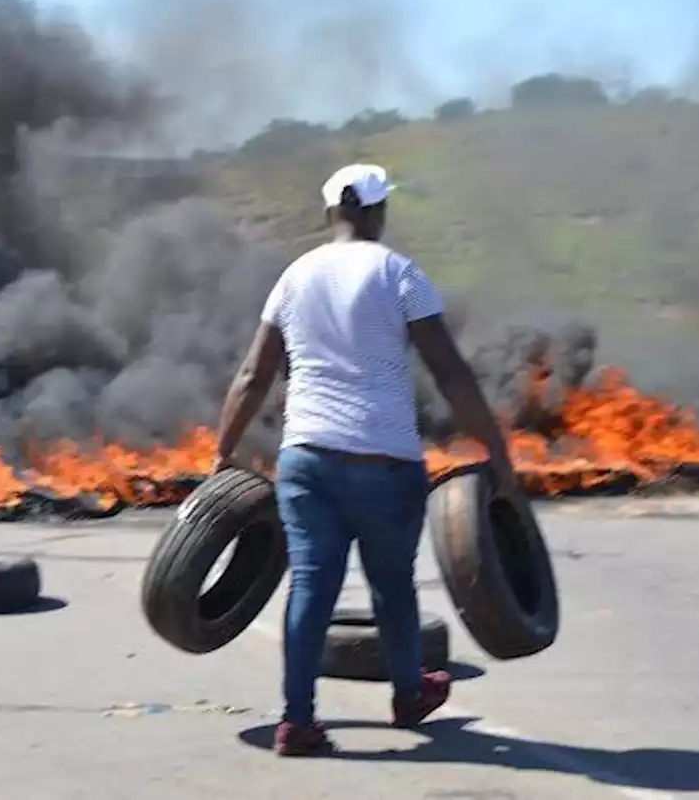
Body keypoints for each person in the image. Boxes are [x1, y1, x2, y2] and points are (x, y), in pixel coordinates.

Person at [212, 163, 518, 756]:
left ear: (330, 213)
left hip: (308, 460)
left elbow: (254, 374)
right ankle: (409, 695)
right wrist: (495, 446)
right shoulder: (400, 274)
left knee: (311, 587)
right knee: (392, 587)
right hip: (385, 459)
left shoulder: (294, 277)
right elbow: (450, 371)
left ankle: (296, 721)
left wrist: (222, 451)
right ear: (379, 212)